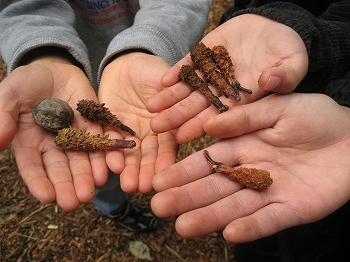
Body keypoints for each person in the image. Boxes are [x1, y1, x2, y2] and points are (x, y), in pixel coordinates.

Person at [148, 0, 350, 260]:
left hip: (333, 194)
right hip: (265, 106)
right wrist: (269, 18)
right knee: (253, 237)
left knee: (316, 241)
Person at [0, 0, 210, 233]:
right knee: (98, 175)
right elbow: (20, 9)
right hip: (70, 83)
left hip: (130, 84)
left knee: (115, 165)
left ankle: (114, 202)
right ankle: (114, 207)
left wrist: (147, 44)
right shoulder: (69, 121)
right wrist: (42, 53)